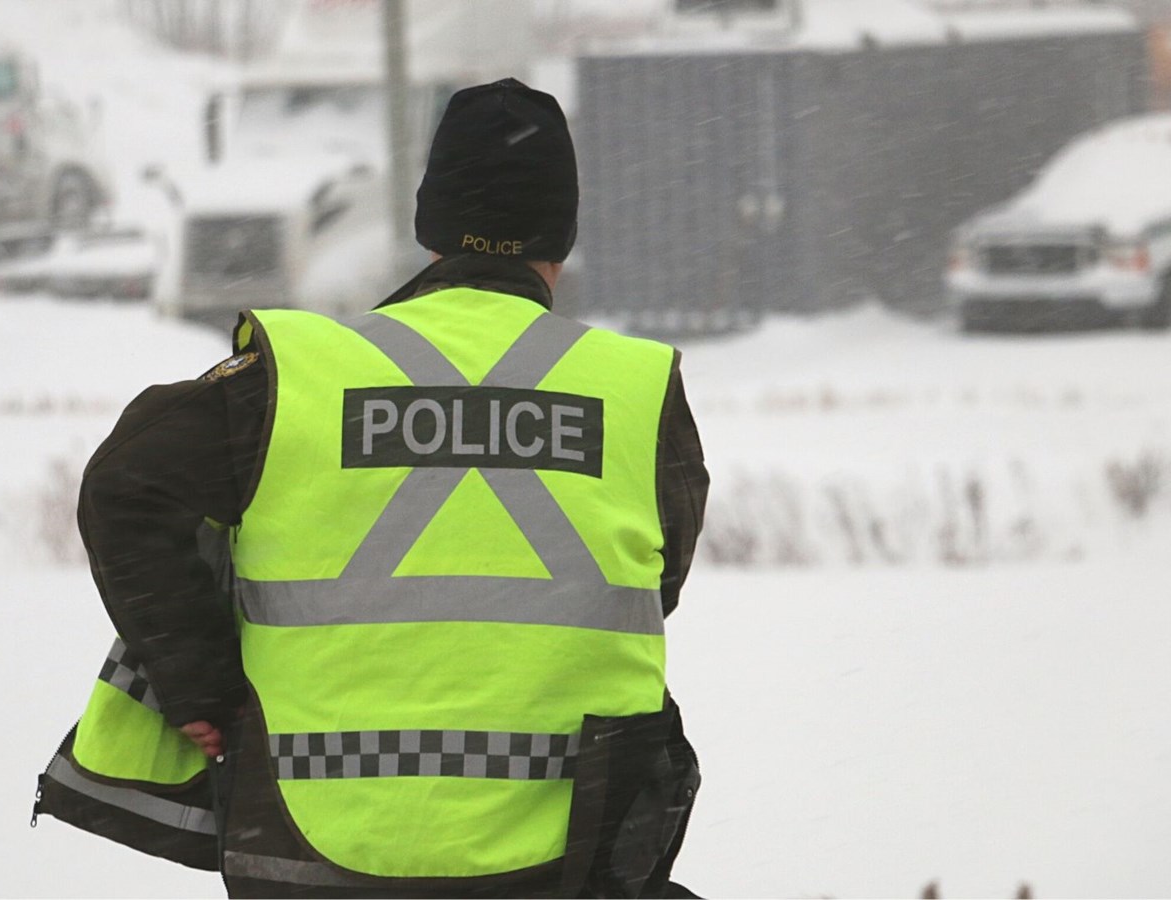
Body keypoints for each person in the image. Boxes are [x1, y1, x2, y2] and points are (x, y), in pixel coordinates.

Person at [73, 78, 709, 898]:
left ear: (431, 226)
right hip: (566, 851)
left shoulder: (298, 374)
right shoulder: (634, 389)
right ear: (563, 234)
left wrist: (200, 681)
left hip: (307, 846)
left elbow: (124, 487)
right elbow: (652, 581)